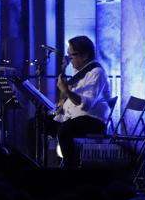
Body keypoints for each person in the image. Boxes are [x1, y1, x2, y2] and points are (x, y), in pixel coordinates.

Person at [44, 35, 112, 167]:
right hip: (74, 118)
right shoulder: (79, 73)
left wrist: (67, 91)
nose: (69, 60)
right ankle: (40, 166)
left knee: (65, 130)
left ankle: (71, 172)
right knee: (37, 124)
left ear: (85, 55)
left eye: (72, 56)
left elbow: (86, 105)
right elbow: (65, 100)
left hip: (93, 120)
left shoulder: (96, 72)